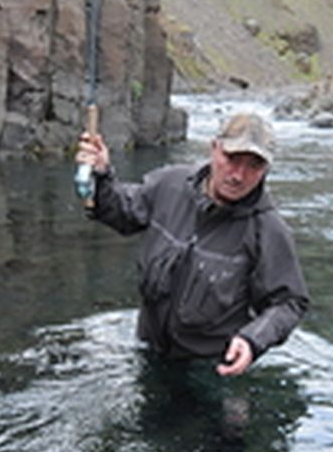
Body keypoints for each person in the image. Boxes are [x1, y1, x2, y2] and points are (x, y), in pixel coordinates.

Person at [76, 112, 309, 377]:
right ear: (214, 148)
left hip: (211, 370)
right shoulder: (170, 184)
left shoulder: (268, 229)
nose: (239, 175)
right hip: (148, 351)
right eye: (232, 159)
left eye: (253, 166)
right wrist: (101, 175)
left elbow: (289, 302)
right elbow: (122, 211)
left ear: (266, 169)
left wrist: (252, 340)